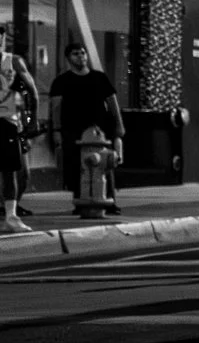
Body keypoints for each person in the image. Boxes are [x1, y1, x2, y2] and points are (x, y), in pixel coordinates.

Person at [48, 39, 124, 217]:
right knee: (76, 166)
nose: (81, 57)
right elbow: (56, 108)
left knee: (105, 164)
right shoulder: (61, 81)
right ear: (68, 58)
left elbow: (113, 103)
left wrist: (119, 124)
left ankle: (110, 201)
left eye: (83, 53)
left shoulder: (99, 77)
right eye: (76, 54)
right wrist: (57, 131)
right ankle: (80, 201)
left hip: (100, 129)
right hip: (73, 129)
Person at [0, 25, 35, 232]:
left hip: (7, 121)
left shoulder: (12, 61)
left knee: (11, 170)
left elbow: (31, 91)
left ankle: (11, 215)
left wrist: (31, 120)